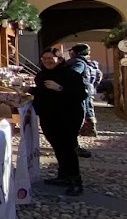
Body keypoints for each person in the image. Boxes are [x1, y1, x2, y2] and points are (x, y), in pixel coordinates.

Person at [33, 47, 88, 196]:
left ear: (59, 59)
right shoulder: (41, 75)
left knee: (68, 148)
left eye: (51, 58)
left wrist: (60, 88)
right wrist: (29, 91)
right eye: (44, 59)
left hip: (68, 116)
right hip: (49, 116)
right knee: (57, 147)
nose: (47, 61)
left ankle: (76, 181)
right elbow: (42, 93)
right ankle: (63, 175)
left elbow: (81, 95)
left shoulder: (70, 74)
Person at [67, 43, 102, 155]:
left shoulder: (77, 63)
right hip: (87, 93)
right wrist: (91, 88)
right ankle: (87, 132)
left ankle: (73, 146)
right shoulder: (91, 64)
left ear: (74, 52)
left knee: (76, 119)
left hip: (77, 94)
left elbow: (72, 74)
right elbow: (98, 77)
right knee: (85, 114)